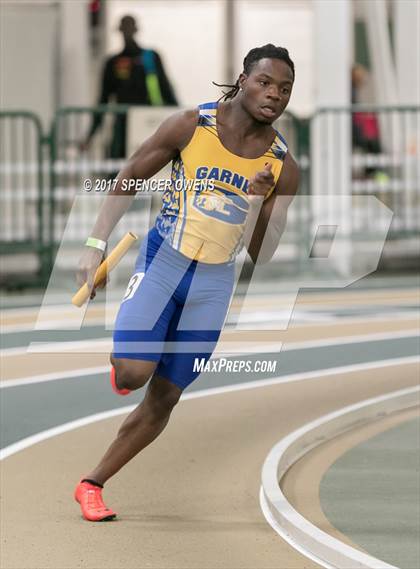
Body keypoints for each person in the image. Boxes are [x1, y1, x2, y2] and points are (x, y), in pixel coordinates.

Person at [74, 44, 299, 522]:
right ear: (242, 79)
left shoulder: (283, 166)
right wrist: (95, 244)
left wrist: (259, 201)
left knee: (166, 395)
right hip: (164, 262)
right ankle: (132, 358)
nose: (274, 95)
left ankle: (91, 484)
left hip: (214, 285)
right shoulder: (190, 125)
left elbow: (262, 253)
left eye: (284, 89)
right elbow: (129, 176)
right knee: (134, 373)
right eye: (265, 82)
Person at [83, 14, 177, 159]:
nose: (127, 32)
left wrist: (178, 121)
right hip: (122, 125)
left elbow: (166, 90)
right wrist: (90, 135)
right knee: (118, 168)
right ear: (120, 31)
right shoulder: (113, 63)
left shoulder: (151, 57)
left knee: (148, 165)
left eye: (129, 27)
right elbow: (103, 99)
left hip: (148, 122)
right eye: (124, 28)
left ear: (136, 29)